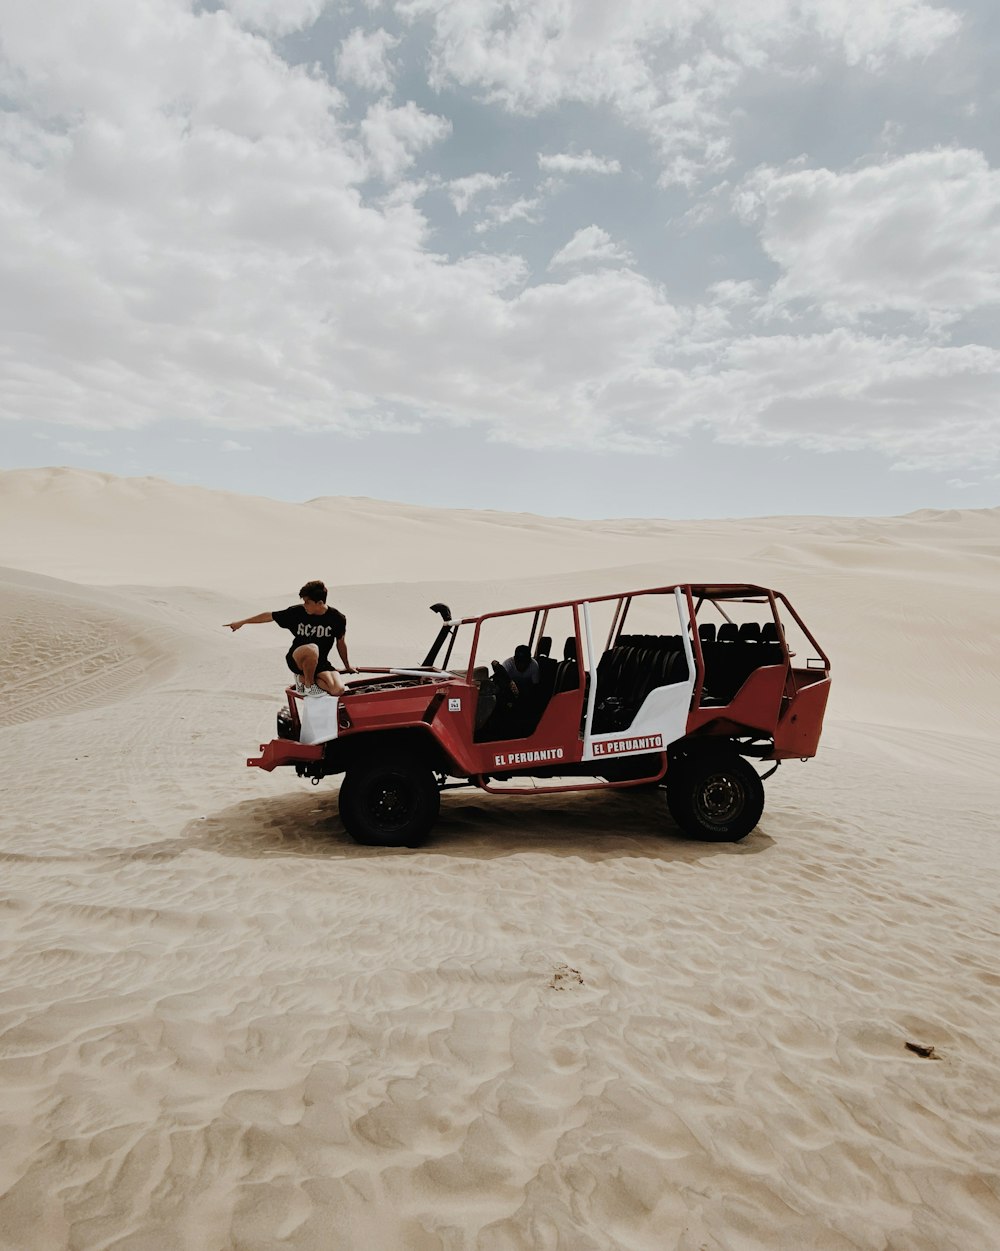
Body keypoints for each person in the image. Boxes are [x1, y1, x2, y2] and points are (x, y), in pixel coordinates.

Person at [224, 580, 354, 696]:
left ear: (319, 603)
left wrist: (347, 666)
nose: (304, 605)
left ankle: (303, 679)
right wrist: (243, 622)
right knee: (312, 648)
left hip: (321, 663)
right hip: (298, 658)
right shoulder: (297, 612)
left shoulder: (337, 618)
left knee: (337, 690)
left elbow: (341, 643)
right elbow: (269, 616)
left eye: (307, 602)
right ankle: (308, 687)